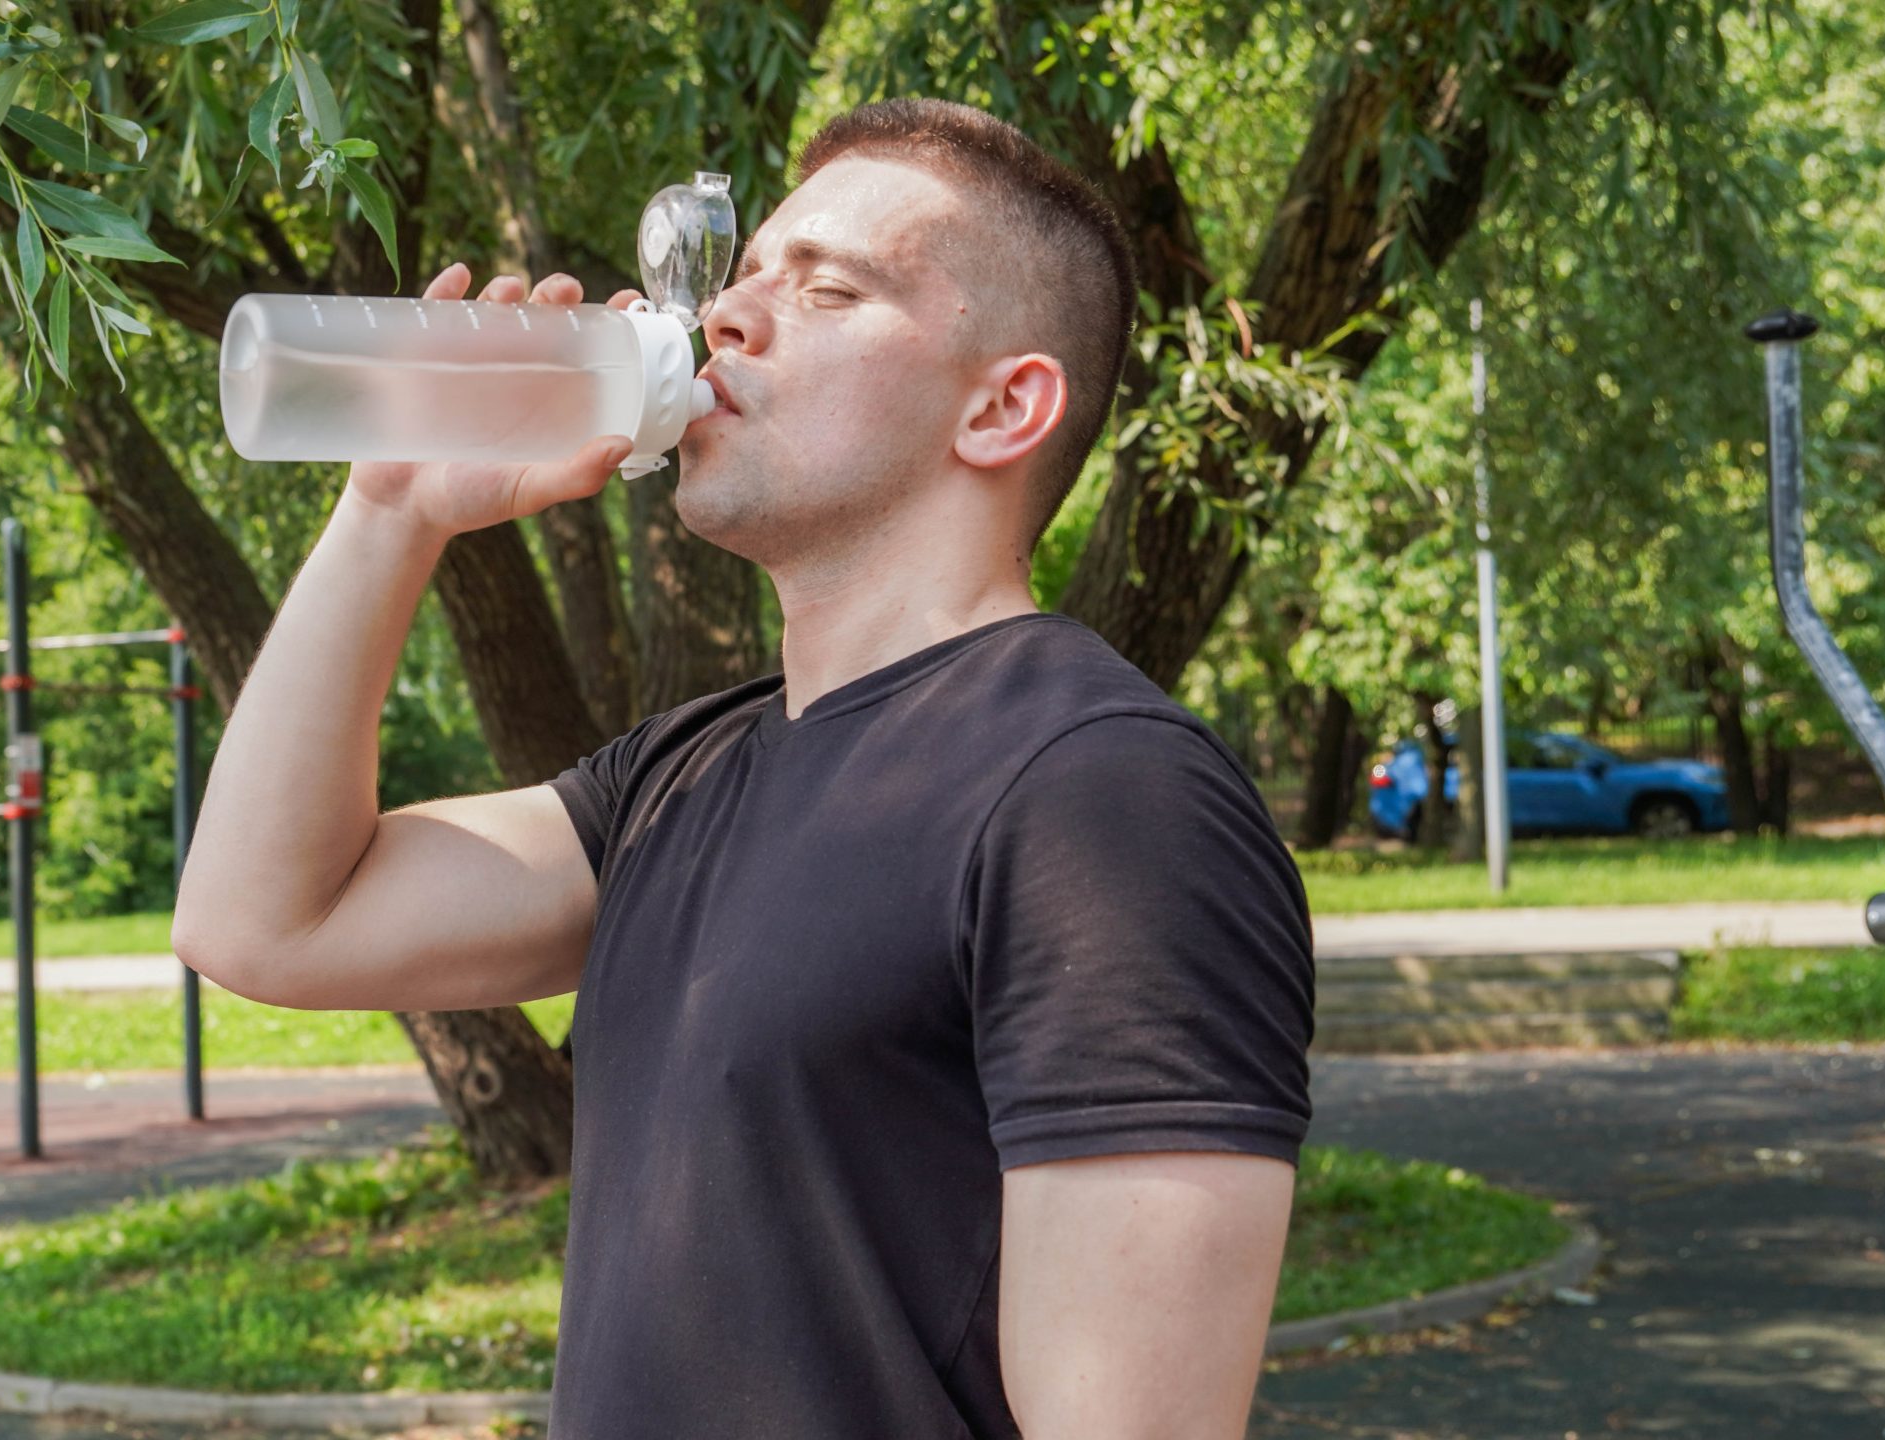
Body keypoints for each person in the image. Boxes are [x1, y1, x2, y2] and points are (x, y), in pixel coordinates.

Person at [174, 96, 1314, 1440]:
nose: (729, 315)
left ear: (1005, 408)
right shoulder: (680, 778)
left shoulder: (1100, 800)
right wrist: (394, 510)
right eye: (747, 270)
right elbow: (263, 924)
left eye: (827, 288)